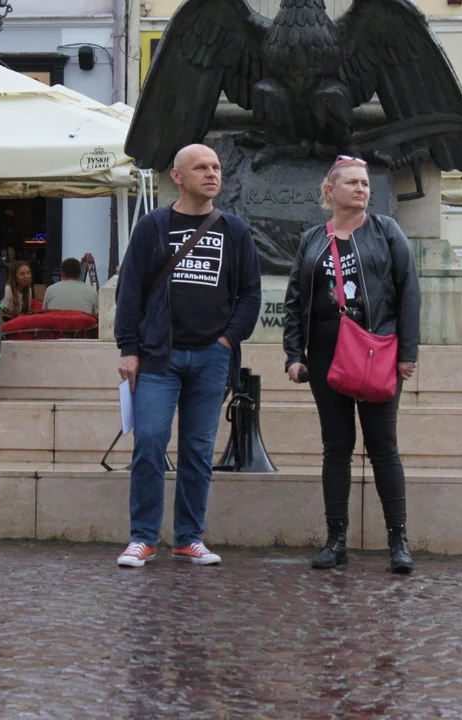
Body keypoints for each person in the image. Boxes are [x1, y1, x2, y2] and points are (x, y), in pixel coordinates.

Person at [114, 143, 261, 568]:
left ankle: (188, 538)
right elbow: (130, 293)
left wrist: (228, 340)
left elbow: (250, 293)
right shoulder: (152, 227)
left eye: (215, 167)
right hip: (159, 356)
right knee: (150, 443)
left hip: (212, 357)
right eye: (201, 168)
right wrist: (128, 348)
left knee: (198, 451)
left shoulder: (235, 230)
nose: (212, 174)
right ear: (177, 177)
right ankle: (142, 537)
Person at [282, 155, 420, 574]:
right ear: (330, 191)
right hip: (325, 357)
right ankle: (336, 539)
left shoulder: (386, 231)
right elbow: (294, 301)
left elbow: (409, 292)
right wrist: (293, 354)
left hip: (376, 350)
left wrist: (408, 353)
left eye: (365, 183)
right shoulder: (312, 239)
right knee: (336, 448)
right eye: (353, 183)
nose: (362, 189)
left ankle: (398, 541)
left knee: (383, 449)